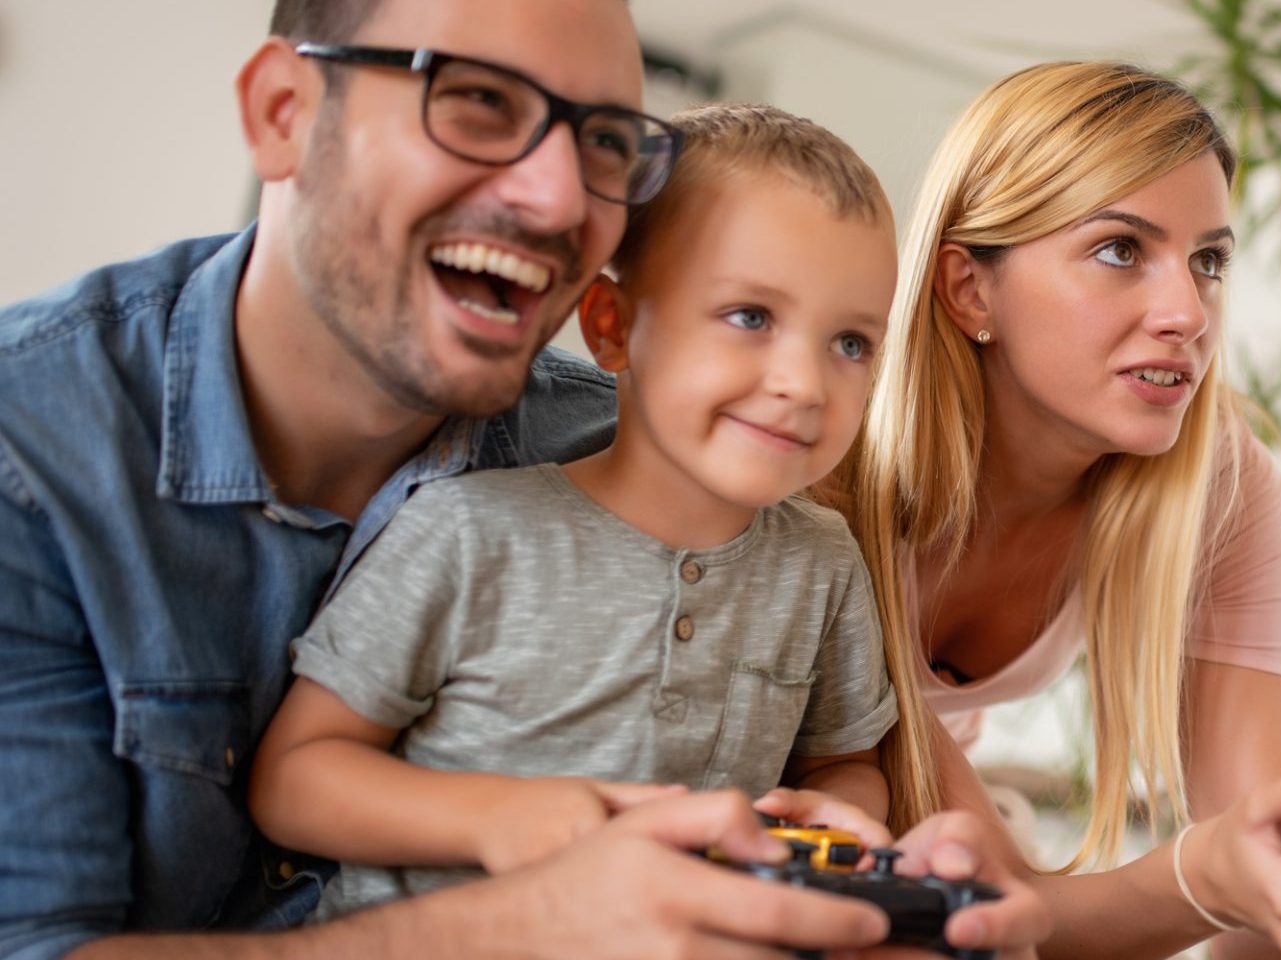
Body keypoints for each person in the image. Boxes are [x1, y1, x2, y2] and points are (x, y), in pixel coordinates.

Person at [0, 1, 1044, 957]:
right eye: (478, 103)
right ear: (283, 110)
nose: (559, 199)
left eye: (602, 142)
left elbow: (853, 771)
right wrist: (528, 900)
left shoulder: (690, 458)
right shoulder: (31, 458)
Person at [830, 60, 1281, 959]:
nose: (1187, 313)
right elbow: (1007, 914)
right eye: (1120, 250)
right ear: (969, 288)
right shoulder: (825, 448)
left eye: (1209, 261)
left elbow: (1267, 910)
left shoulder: (1218, 483)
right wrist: (1201, 879)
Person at [246, 101, 903, 918]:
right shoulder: (465, 533)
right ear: (612, 327)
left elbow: (847, 761)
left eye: (851, 343)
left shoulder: (824, 563)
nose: (805, 385)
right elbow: (292, 777)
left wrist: (842, 812)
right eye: (750, 317)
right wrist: (499, 818)